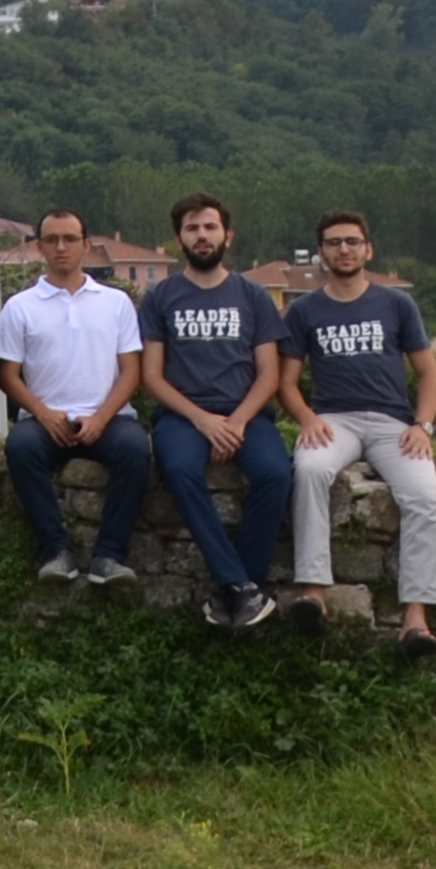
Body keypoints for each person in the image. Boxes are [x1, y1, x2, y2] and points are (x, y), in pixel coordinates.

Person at [282, 211, 436, 658]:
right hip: (334, 420)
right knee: (309, 470)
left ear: (367, 250)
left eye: (352, 242)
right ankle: (313, 591)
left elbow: (429, 373)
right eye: (334, 242)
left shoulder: (396, 305)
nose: (344, 249)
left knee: (425, 497)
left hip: (394, 424)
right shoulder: (305, 310)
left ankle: (416, 619)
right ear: (321, 253)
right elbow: (286, 381)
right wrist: (306, 419)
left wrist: (423, 425)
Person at [133, 194, 291, 633]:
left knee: (276, 474)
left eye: (210, 227)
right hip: (182, 417)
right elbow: (151, 377)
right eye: (192, 229)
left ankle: (237, 587)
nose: (202, 236)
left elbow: (269, 374)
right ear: (179, 239)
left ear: (227, 235)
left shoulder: (253, 296)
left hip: (246, 414)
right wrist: (202, 420)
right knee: (180, 471)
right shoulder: (161, 297)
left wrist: (236, 422)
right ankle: (240, 586)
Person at [0, 207, 154, 586]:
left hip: (109, 419)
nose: (61, 247)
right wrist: (44, 414)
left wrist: (101, 418)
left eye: (70, 239)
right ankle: (56, 552)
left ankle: (109, 557)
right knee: (20, 449)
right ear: (39, 247)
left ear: (86, 245)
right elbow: (7, 376)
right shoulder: (19, 306)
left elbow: (132, 371)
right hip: (43, 421)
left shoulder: (115, 302)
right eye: (51, 240)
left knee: (136, 451)